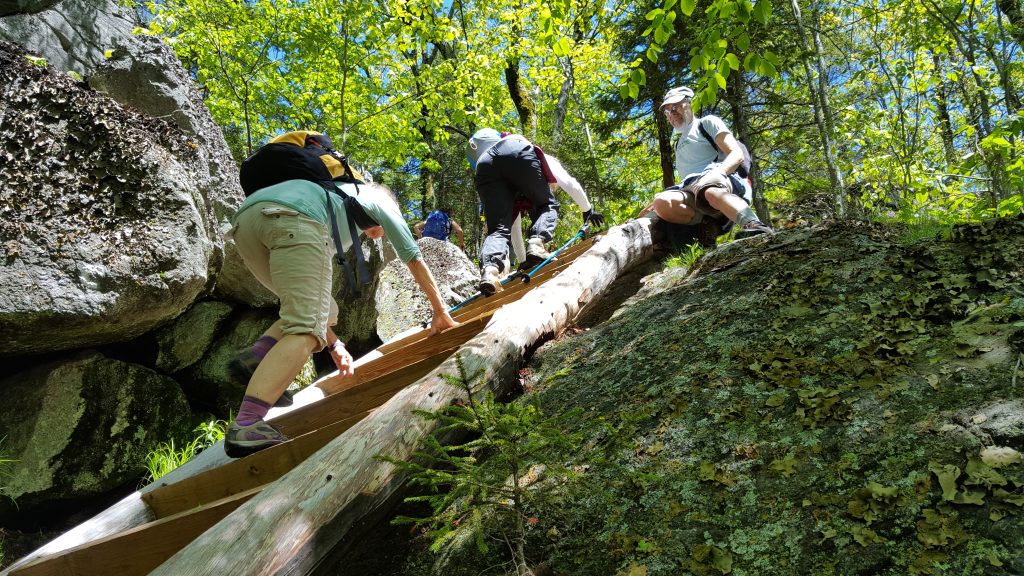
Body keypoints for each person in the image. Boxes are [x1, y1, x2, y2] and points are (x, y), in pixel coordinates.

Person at [224, 175, 457, 458]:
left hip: (246, 222)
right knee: (307, 329)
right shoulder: (377, 198)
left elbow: (316, 310)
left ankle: (258, 356)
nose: (378, 234)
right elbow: (412, 256)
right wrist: (441, 311)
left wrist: (335, 346)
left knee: (322, 310)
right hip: (290, 220)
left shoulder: (339, 197)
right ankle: (247, 423)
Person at [466, 128, 604, 294]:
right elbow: (570, 183)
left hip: (483, 166)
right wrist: (587, 210)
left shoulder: (491, 163)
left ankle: (490, 269)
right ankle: (537, 242)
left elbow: (513, 226)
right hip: (513, 148)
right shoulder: (544, 158)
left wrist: (524, 260)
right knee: (546, 204)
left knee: (498, 229)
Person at [642, 86, 772, 242]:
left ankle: (753, 224)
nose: (672, 113)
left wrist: (717, 173)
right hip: (691, 188)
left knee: (710, 191)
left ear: (690, 103)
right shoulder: (678, 144)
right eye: (667, 111)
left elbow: (736, 154)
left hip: (720, 179)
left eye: (676, 106)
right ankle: (708, 225)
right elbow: (686, 180)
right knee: (662, 202)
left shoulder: (707, 123)